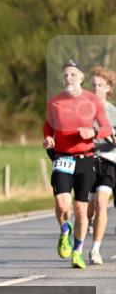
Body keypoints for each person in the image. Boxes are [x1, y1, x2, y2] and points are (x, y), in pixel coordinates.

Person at [44, 60, 113, 269]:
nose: (69, 79)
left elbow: (106, 128)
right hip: (62, 158)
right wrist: (48, 138)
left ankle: (77, 251)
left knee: (81, 210)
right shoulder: (55, 102)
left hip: (85, 158)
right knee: (62, 206)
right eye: (65, 75)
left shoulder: (93, 101)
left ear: (81, 78)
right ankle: (65, 229)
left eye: (73, 75)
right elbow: (48, 126)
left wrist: (92, 132)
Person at [88, 67, 116, 265]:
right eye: (93, 85)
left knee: (101, 201)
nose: (96, 88)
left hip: (108, 161)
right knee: (87, 209)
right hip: (87, 160)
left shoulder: (114, 112)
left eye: (100, 85)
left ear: (108, 88)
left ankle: (95, 250)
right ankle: (88, 220)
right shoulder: (83, 109)